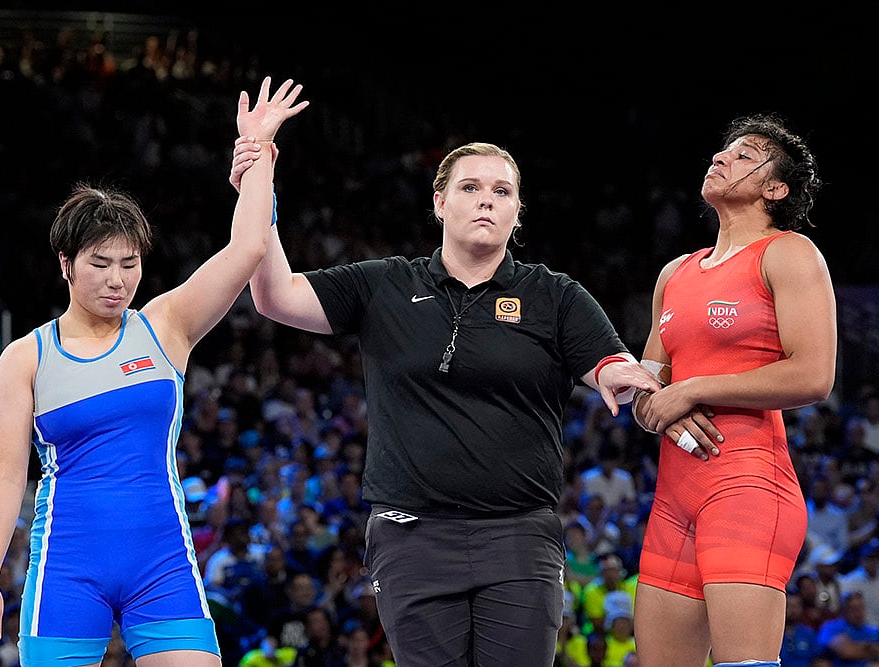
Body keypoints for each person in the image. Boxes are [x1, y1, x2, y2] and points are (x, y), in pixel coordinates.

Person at [229, 138, 662, 666]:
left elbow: (609, 361)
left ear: (517, 211)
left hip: (519, 539)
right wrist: (258, 187)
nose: (486, 201)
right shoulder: (385, 284)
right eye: (470, 187)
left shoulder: (554, 296)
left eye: (501, 191)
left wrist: (620, 373)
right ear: (439, 202)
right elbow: (274, 296)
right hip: (411, 538)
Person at [0, 75, 309, 666]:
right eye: (100, 264)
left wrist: (257, 155)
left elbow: (248, 249)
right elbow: (5, 476)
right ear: (66, 264)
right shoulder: (26, 357)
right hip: (68, 567)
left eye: (129, 264)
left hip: (162, 561)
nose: (117, 280)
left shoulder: (165, 325)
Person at [630, 113, 837, 667]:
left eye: (746, 155)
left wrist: (692, 389)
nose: (722, 158)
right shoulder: (675, 273)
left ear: (775, 189)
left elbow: (814, 374)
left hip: (748, 487)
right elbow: (648, 387)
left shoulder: (788, 253)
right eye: (724, 150)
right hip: (673, 500)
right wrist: (660, 407)